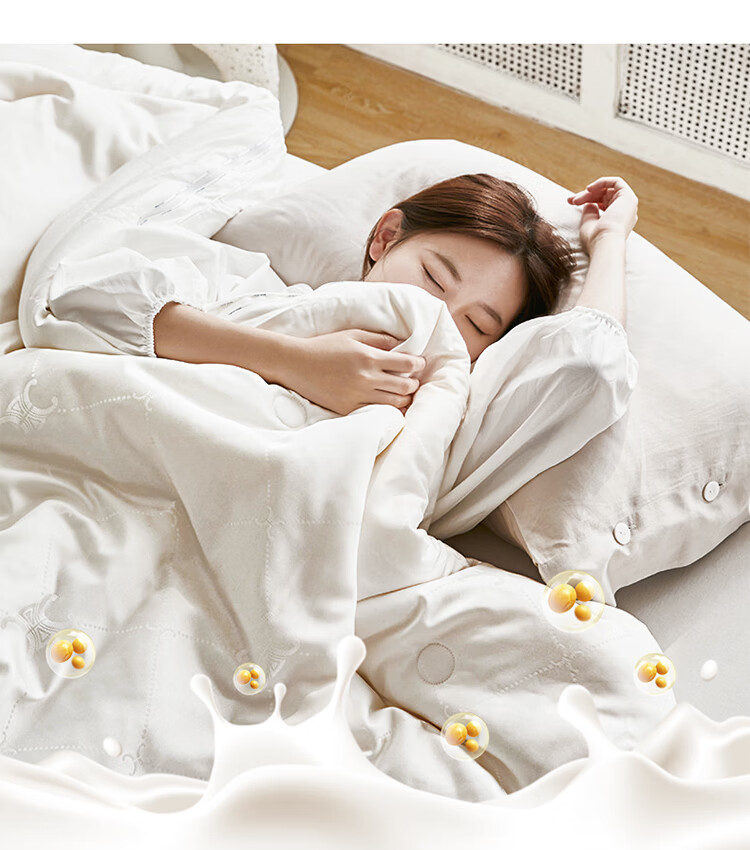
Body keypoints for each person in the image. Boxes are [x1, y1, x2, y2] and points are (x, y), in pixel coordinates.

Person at [153, 173, 638, 416]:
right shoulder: (250, 284)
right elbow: (113, 305)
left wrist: (609, 239)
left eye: (477, 325)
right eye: (434, 278)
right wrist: (292, 361)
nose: (435, 313)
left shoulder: (448, 408)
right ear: (385, 239)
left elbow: (590, 368)